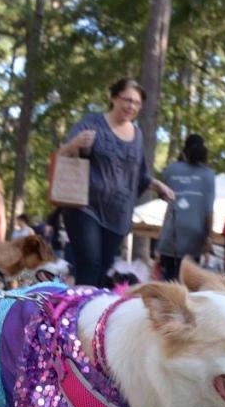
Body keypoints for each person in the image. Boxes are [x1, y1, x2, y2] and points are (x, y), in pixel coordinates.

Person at [56, 77, 174, 286]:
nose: (131, 106)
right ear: (113, 97)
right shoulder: (92, 122)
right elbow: (62, 155)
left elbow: (140, 174)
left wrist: (158, 185)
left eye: (137, 103)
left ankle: (96, 315)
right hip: (85, 208)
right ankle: (82, 315)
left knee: (104, 268)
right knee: (90, 263)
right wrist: (74, 144)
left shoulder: (137, 135)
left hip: (118, 214)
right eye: (127, 100)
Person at [155, 133, 216, 281]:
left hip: (171, 235)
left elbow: (162, 196)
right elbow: (208, 211)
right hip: (195, 239)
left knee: (168, 282)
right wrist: (209, 238)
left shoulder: (171, 170)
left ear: (184, 151)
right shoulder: (209, 175)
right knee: (187, 284)